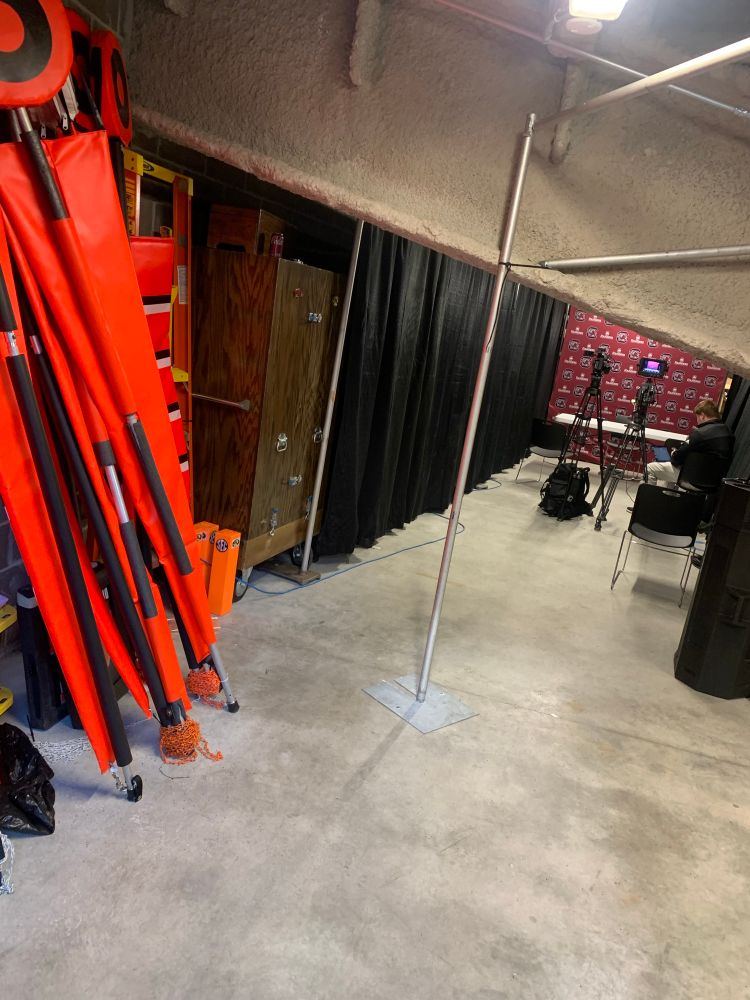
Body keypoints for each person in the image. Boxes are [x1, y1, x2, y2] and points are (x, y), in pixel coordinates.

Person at [646, 399, 734, 485]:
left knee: (649, 468)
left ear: (702, 415)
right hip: (715, 480)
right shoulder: (728, 432)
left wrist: (674, 454)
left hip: (694, 478)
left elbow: (676, 460)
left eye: (697, 417)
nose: (697, 421)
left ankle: (648, 499)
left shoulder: (700, 433)